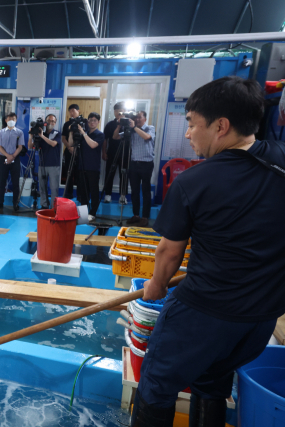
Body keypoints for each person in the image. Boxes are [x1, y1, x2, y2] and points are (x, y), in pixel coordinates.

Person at [131, 76, 285, 426]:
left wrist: (155, 287)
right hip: (260, 318)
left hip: (203, 312)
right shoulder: (281, 159)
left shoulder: (194, 181)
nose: (187, 134)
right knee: (213, 381)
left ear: (220, 126)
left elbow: (169, 254)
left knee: (157, 385)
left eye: (191, 123)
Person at [114, 111, 155, 227]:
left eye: (139, 117)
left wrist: (135, 127)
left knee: (146, 191)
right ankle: (136, 215)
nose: (137, 119)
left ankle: (145, 217)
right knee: (135, 191)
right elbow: (115, 137)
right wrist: (119, 125)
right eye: (135, 117)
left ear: (145, 119)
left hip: (146, 164)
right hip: (133, 164)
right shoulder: (131, 130)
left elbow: (147, 137)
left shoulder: (149, 128)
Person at [28, 114, 62, 209]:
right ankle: (44, 205)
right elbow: (30, 146)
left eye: (53, 121)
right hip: (42, 164)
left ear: (55, 123)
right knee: (42, 186)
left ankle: (54, 207)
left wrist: (42, 136)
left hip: (53, 165)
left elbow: (53, 144)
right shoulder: (40, 133)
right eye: (49, 121)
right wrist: (31, 136)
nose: (51, 123)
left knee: (54, 188)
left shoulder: (57, 133)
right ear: (45, 123)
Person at [75, 113, 104, 221]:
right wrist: (73, 132)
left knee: (93, 191)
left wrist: (83, 133)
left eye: (95, 120)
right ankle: (83, 215)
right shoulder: (83, 134)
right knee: (83, 192)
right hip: (82, 166)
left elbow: (93, 145)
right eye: (90, 120)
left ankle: (92, 213)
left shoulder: (99, 134)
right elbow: (73, 145)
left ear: (98, 122)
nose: (92, 122)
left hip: (93, 167)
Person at [0, 112, 24, 212]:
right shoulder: (1, 132)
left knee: (16, 183)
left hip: (15, 159)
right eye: (9, 118)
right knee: (1, 182)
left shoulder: (20, 132)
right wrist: (8, 156)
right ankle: (0, 202)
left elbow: (20, 147)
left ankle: (15, 204)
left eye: (13, 118)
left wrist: (13, 157)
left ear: (16, 120)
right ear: (6, 120)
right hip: (4, 158)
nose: (11, 120)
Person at [102, 102, 128, 204]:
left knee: (124, 175)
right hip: (112, 152)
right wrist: (104, 152)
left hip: (125, 153)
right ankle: (108, 195)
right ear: (114, 112)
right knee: (109, 173)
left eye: (121, 110)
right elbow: (105, 140)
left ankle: (123, 196)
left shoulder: (129, 124)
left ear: (125, 111)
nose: (119, 112)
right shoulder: (110, 124)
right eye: (117, 111)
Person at [61, 104, 82, 197]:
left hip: (81, 152)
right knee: (68, 173)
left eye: (73, 111)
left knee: (80, 173)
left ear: (78, 111)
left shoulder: (84, 122)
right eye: (70, 111)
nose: (71, 113)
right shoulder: (67, 124)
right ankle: (68, 194)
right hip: (69, 151)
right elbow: (63, 138)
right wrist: (70, 148)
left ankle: (80, 194)